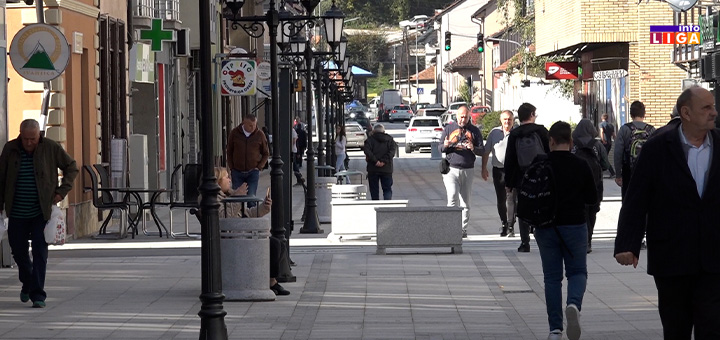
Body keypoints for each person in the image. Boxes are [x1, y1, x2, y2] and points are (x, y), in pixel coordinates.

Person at [615, 86, 720, 340]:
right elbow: (637, 199)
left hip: (714, 257)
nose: (714, 113)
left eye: (713, 106)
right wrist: (627, 244)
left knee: (713, 328)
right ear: (686, 112)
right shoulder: (658, 148)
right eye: (706, 108)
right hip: (672, 258)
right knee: (676, 329)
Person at [0, 119, 79, 308]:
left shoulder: (50, 148)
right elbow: (1, 176)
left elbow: (72, 167)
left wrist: (61, 191)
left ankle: (38, 294)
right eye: (25, 139)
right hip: (17, 212)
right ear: (20, 134)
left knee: (39, 252)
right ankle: (27, 281)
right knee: (18, 251)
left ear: (39, 135)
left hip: (40, 212)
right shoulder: (10, 149)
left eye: (33, 139)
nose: (29, 143)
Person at [533, 121, 597, 340]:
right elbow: (592, 198)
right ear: (570, 142)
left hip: (545, 227)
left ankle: (555, 330)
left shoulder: (540, 163)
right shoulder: (580, 164)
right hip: (575, 225)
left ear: (550, 141)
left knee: (552, 278)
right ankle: (573, 304)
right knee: (577, 272)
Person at [211, 167, 289, 296]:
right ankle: (271, 281)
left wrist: (264, 207)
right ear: (218, 181)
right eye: (226, 177)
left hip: (242, 233)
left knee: (277, 243)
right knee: (273, 245)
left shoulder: (228, 194)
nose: (230, 180)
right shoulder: (213, 197)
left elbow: (247, 214)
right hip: (230, 238)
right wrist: (237, 196)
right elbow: (224, 218)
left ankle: (271, 279)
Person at [504, 103, 550, 252]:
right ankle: (542, 238)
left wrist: (509, 183)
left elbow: (510, 159)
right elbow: (550, 152)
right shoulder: (542, 131)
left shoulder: (515, 134)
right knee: (542, 206)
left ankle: (525, 242)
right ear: (531, 114)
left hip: (521, 176)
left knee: (522, 208)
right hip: (541, 175)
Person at [439, 105, 483, 238]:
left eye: (465, 117)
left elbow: (482, 150)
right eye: (461, 116)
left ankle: (463, 229)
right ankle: (452, 227)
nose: (463, 119)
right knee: (452, 197)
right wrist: (445, 145)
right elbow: (440, 147)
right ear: (456, 116)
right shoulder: (449, 128)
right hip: (451, 169)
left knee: (465, 202)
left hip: (468, 169)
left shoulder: (474, 131)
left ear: (469, 117)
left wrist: (473, 147)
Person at [571, 119, 611, 253]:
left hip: (576, 185)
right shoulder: (597, 144)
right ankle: (588, 240)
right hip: (595, 184)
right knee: (592, 213)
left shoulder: (573, 144)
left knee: (580, 212)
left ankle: (581, 240)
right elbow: (605, 164)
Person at [481, 110, 515, 237]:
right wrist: (483, 168)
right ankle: (504, 224)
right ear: (501, 120)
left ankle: (511, 226)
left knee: (512, 199)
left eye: (509, 119)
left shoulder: (516, 133)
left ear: (513, 120)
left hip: (512, 171)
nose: (507, 122)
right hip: (498, 170)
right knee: (501, 199)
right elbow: (486, 151)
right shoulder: (494, 133)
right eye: (505, 119)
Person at [613, 101, 655, 200]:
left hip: (628, 172)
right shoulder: (652, 130)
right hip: (648, 173)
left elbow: (618, 153)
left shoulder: (624, 129)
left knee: (628, 202)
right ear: (644, 114)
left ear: (631, 114)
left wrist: (618, 174)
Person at [227, 114, 270, 207]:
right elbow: (229, 151)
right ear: (244, 123)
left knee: (251, 198)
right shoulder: (235, 133)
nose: (253, 127)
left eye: (254, 125)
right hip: (237, 171)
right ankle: (238, 218)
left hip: (252, 172)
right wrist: (232, 167)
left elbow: (266, 153)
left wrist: (259, 167)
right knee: (237, 200)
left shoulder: (259, 134)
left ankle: (251, 220)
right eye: (250, 125)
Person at [363, 124, 396, 200]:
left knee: (374, 189)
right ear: (383, 131)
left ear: (374, 131)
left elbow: (367, 152)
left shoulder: (369, 140)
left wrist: (376, 161)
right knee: (387, 189)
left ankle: (375, 205)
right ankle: (387, 205)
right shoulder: (390, 140)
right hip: (387, 169)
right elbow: (391, 153)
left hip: (373, 168)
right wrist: (384, 161)